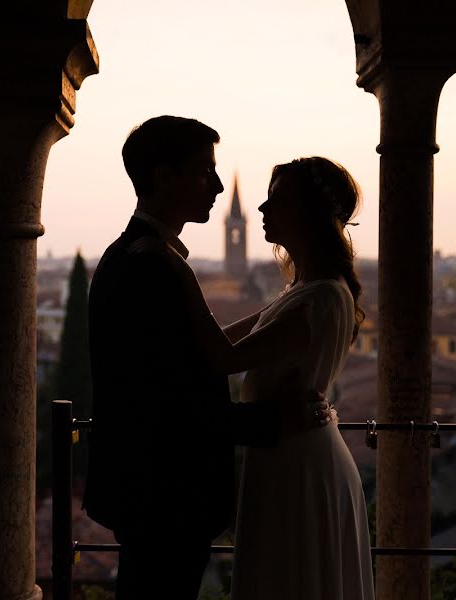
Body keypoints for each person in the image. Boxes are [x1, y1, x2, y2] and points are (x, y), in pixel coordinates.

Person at [82, 116, 332, 600]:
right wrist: (272, 422)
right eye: (204, 172)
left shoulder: (142, 256)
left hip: (152, 493)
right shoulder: (152, 265)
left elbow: (189, 363)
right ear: (163, 176)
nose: (217, 185)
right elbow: (172, 400)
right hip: (166, 496)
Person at [152, 156, 375, 600]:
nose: (261, 211)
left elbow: (219, 358)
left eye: (277, 201)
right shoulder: (302, 292)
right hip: (284, 451)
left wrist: (176, 271)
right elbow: (216, 342)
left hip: (299, 461)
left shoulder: (320, 298)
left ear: (309, 214)